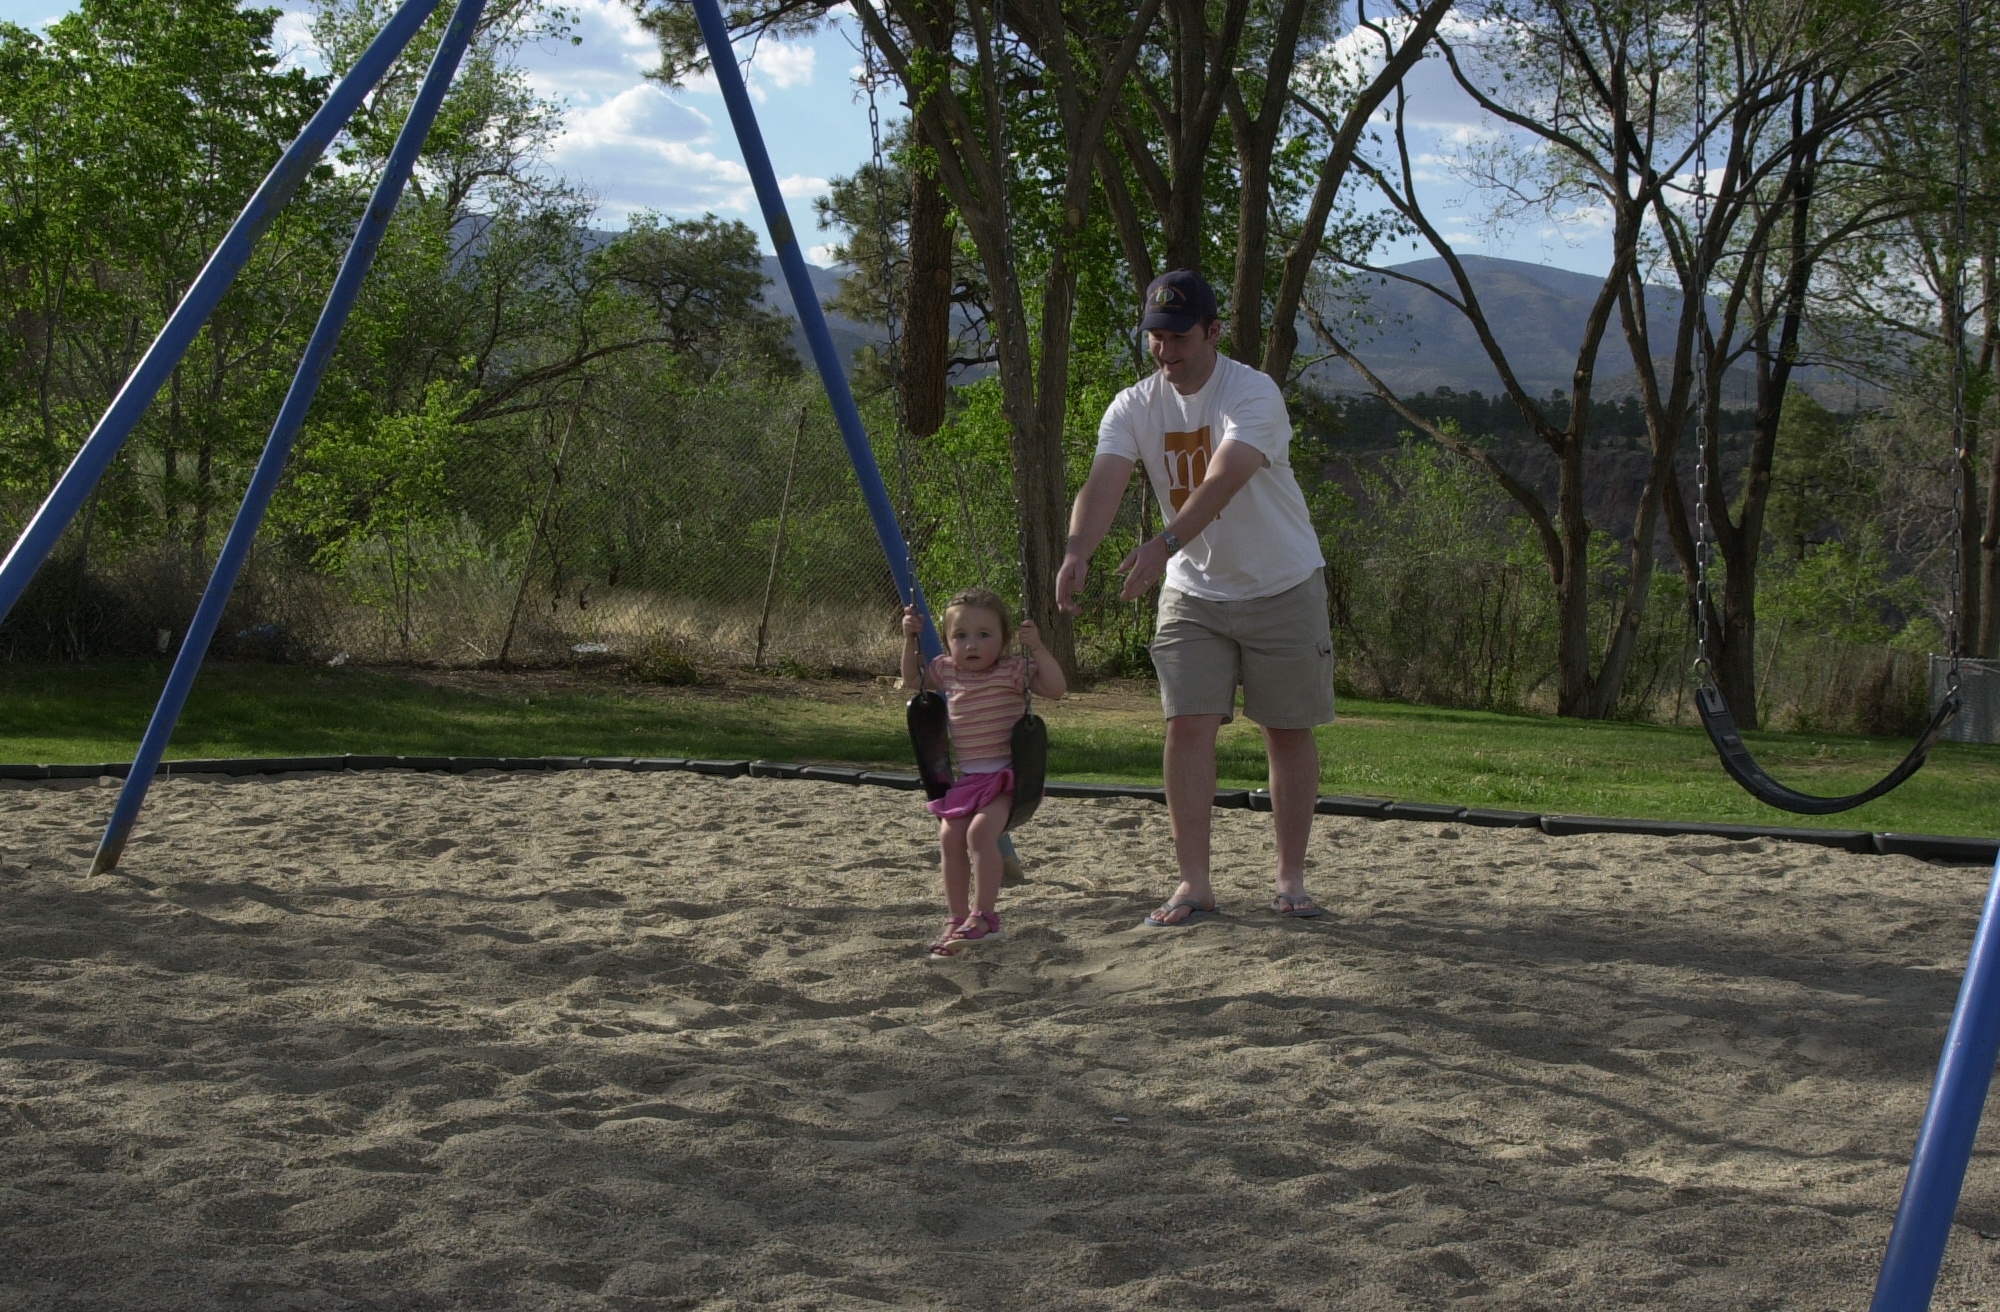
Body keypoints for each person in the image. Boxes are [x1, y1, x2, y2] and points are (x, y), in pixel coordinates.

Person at [1055, 269, 1334, 927]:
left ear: (1213, 332)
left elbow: (1224, 477)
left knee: (1286, 730)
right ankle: (1194, 883)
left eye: (1178, 337)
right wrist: (1077, 551)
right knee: (1186, 725)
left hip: (1281, 582)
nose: (1165, 350)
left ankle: (1290, 879)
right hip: (1193, 591)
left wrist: (1164, 543)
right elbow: (1103, 483)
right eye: (1155, 337)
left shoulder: (1252, 392)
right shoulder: (1133, 405)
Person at [901, 587, 1067, 957]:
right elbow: (912, 678)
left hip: (1007, 781)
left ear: (1005, 639)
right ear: (947, 640)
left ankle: (985, 916)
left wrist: (1037, 647)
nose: (971, 644)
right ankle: (956, 918)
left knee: (979, 833)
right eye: (960, 635)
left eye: (984, 635)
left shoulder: (1013, 670)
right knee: (949, 836)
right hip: (969, 781)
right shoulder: (947, 670)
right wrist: (910, 637)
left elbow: (1057, 689)